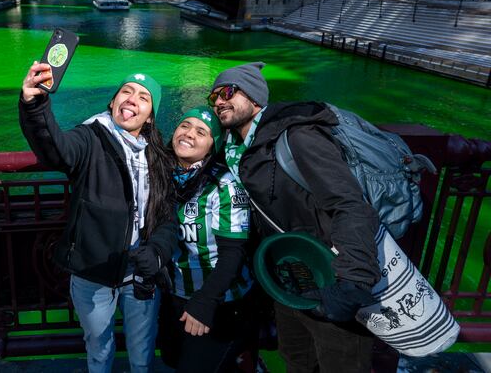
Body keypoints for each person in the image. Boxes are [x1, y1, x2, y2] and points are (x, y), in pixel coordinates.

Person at [208, 62, 380, 373]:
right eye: (214, 97)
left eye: (228, 91)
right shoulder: (235, 150)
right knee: (296, 362)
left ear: (255, 96)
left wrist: (351, 283)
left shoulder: (296, 136)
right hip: (289, 284)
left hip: (332, 281)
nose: (219, 100)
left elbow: (351, 204)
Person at [19, 62, 175, 373]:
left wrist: (156, 252)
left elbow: (166, 215)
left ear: (150, 116)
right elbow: (56, 150)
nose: (132, 99)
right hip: (93, 271)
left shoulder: (157, 155)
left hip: (141, 272)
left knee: (142, 353)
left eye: (143, 97)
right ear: (112, 102)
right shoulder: (90, 138)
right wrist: (35, 103)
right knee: (99, 348)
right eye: (126, 92)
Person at [158, 106, 256, 372]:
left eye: (201, 132)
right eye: (184, 126)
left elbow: (233, 254)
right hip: (173, 293)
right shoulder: (162, 174)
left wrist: (205, 301)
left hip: (219, 300)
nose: (189, 134)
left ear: (213, 147)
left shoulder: (223, 185)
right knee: (171, 359)